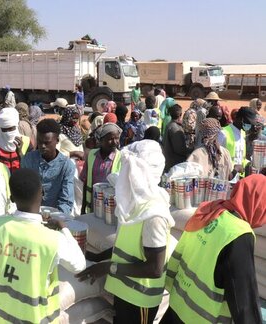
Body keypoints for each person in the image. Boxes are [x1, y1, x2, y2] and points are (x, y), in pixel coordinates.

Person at [76, 140, 175, 324]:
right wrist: (94, 258)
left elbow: (154, 268)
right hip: (124, 292)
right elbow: (124, 246)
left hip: (140, 300)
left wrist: (107, 267)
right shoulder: (132, 205)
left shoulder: (154, 215)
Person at [0, 168, 86, 323]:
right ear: (42, 193)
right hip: (38, 318)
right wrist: (63, 228)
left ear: (11, 198)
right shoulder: (53, 239)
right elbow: (79, 265)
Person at [161, 174, 266, 324]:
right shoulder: (238, 234)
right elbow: (244, 298)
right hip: (201, 318)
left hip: (178, 306)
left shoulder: (209, 211)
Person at [21, 119, 75, 214]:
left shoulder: (66, 166)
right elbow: (24, 193)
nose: (42, 146)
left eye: (47, 143)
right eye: (39, 141)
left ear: (57, 140)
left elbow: (66, 201)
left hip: (56, 217)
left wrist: (56, 219)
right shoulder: (28, 160)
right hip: (31, 216)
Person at [80, 123, 122, 214]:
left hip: (113, 207)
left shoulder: (121, 158)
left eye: (117, 138)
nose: (115, 142)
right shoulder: (92, 155)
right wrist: (83, 208)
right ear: (101, 140)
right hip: (93, 205)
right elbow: (86, 182)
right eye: (110, 139)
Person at [218, 106, 257, 176]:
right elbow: (216, 157)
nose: (250, 125)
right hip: (226, 177)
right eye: (248, 122)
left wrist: (249, 164)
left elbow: (241, 158)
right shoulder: (223, 133)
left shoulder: (243, 133)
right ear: (240, 119)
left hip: (239, 178)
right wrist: (234, 169)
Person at [0, 107, 31, 173]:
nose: (8, 133)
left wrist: (20, 153)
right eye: (4, 129)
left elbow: (30, 165)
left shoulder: (26, 141)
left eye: (11, 128)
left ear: (17, 125)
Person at [162, 104, 192, 172]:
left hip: (169, 161)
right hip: (175, 164)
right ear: (180, 114)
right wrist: (192, 150)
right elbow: (179, 150)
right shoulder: (175, 128)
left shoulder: (169, 125)